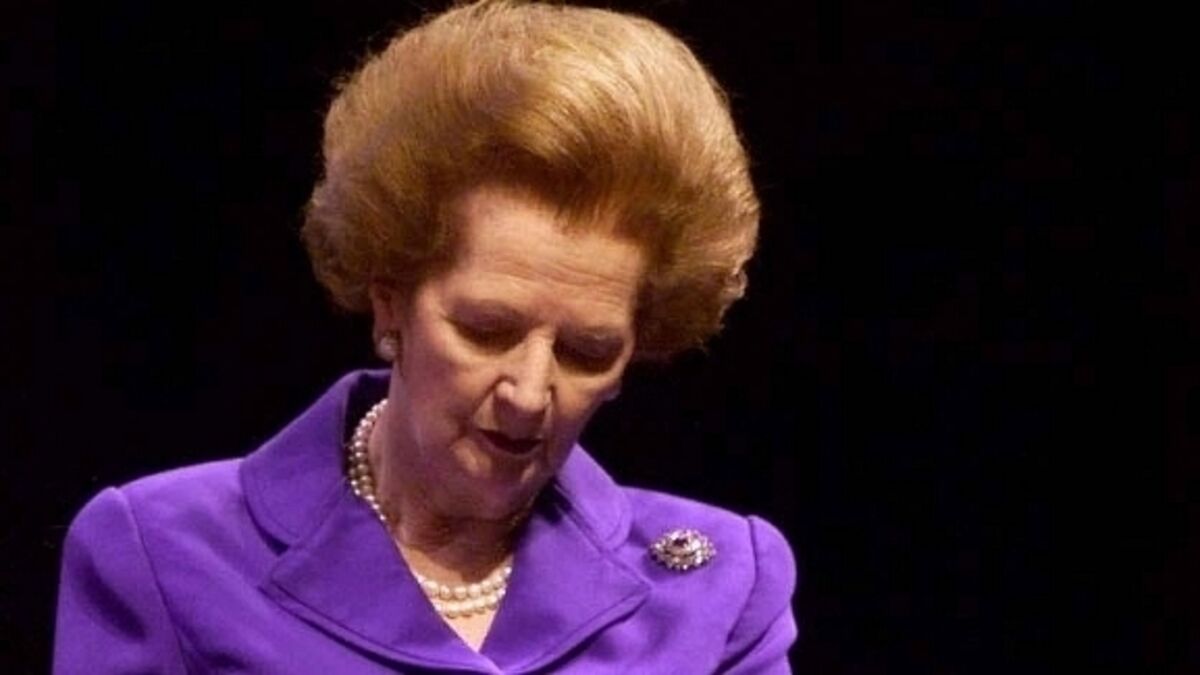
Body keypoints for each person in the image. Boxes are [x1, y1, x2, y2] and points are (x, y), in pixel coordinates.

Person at [53, 1, 797, 672]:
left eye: (587, 352)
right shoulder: (164, 555)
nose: (529, 393)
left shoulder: (721, 587)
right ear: (391, 306)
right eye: (486, 330)